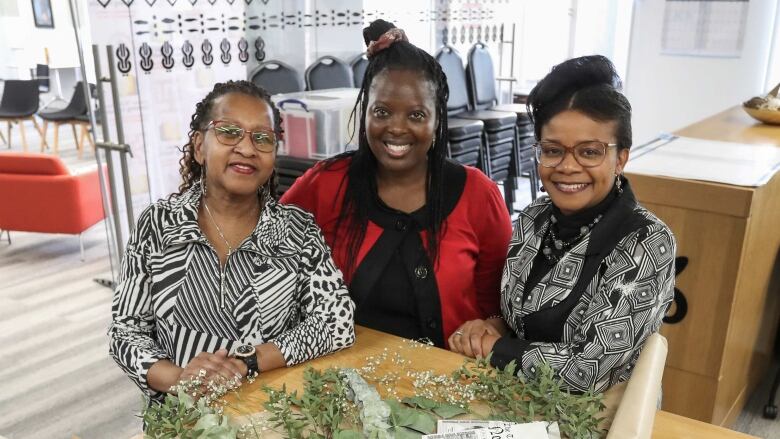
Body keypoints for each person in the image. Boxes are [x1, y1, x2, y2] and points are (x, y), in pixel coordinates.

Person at [108, 80, 355, 401]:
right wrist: (180, 379)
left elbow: (337, 321)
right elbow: (126, 330)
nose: (248, 148)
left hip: (272, 416)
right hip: (180, 419)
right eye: (228, 132)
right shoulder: (158, 224)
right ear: (199, 146)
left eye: (263, 138)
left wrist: (249, 361)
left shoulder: (298, 231)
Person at [449, 55, 676, 393]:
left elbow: (589, 370)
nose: (567, 167)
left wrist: (495, 349)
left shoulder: (647, 242)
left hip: (594, 417)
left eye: (589, 152)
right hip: (511, 394)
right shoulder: (534, 217)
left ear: (621, 158)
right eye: (552, 150)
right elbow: (520, 319)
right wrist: (490, 327)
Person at [280, 23, 512, 348]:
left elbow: (499, 309)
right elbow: (268, 257)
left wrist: (487, 330)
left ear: (437, 119)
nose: (396, 128)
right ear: (365, 112)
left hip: (450, 380)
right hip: (339, 378)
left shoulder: (478, 194)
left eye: (416, 115)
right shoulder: (326, 182)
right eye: (382, 112)